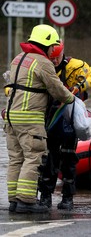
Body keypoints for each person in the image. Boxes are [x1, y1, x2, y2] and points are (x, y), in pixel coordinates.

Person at [4, 24, 75, 213]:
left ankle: (13, 200)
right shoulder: (43, 63)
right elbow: (57, 89)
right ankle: (26, 201)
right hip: (30, 118)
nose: (53, 50)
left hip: (11, 117)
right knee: (33, 157)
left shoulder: (18, 59)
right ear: (44, 43)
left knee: (16, 159)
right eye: (52, 46)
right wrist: (71, 97)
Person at [38, 41, 91, 210]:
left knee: (68, 158)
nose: (55, 61)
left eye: (57, 58)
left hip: (68, 118)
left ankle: (67, 197)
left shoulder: (76, 66)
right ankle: (45, 196)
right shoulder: (43, 66)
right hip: (49, 118)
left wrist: (78, 87)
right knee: (48, 159)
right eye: (52, 58)